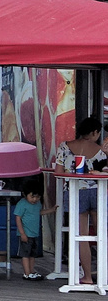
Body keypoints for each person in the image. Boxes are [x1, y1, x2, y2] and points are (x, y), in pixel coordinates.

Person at [53, 115, 107, 286]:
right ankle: (104, 276)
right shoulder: (99, 150)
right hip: (97, 192)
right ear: (94, 132)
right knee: (102, 235)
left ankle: (87, 278)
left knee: (82, 235)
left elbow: (58, 171)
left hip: (75, 192)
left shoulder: (65, 146)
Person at [15, 175, 44, 281]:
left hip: (35, 233)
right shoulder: (22, 204)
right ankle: (26, 273)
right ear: (25, 194)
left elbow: (39, 213)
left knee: (33, 255)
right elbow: (18, 218)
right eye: (32, 197)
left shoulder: (38, 204)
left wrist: (51, 210)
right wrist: (22, 233)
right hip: (26, 233)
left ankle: (32, 271)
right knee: (25, 254)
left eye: (37, 197)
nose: (35, 199)